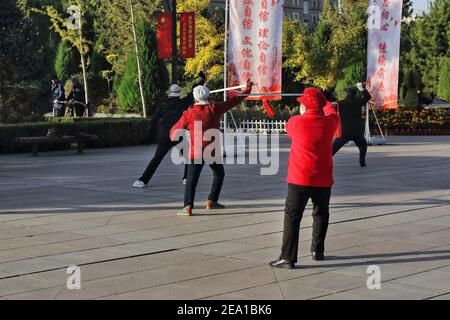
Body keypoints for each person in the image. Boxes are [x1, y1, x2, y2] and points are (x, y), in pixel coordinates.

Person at [270, 88, 339, 269]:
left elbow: (292, 132)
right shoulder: (330, 123)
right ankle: (318, 250)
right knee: (321, 214)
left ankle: (288, 257)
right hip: (323, 179)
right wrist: (325, 103)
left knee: (292, 217)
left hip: (299, 179)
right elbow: (332, 111)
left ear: (305, 105)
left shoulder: (295, 122)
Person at [170, 80, 253, 217]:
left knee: (191, 180)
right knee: (219, 174)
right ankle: (212, 201)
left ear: (195, 97)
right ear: (208, 96)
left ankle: (187, 207)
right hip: (212, 151)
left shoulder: (188, 113)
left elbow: (174, 131)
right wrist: (247, 89)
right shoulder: (215, 108)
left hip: (195, 152)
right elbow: (235, 101)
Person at [132, 73, 206, 188]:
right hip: (178, 134)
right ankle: (186, 178)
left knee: (156, 158)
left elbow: (153, 121)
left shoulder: (163, 106)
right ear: (178, 95)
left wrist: (148, 137)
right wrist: (201, 79)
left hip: (165, 135)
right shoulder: (183, 103)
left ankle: (142, 180)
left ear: (169, 95)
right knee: (187, 157)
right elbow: (194, 92)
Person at [332, 83, 372, 167]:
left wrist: (333, 96)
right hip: (356, 131)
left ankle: (325, 160)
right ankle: (362, 161)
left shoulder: (341, 103)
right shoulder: (358, 102)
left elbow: (330, 106)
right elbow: (368, 97)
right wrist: (362, 89)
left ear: (347, 94)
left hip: (344, 131)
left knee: (333, 149)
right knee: (363, 145)